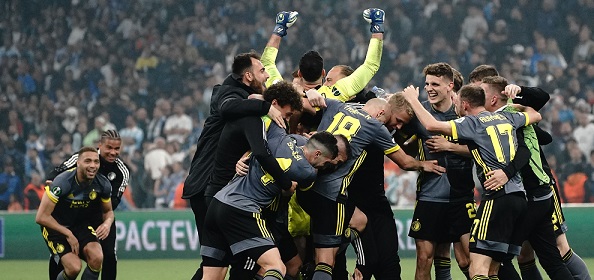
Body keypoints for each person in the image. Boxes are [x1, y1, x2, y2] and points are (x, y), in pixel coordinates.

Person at [401, 84, 542, 279]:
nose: (455, 106)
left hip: (496, 199)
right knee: (494, 270)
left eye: (457, 102)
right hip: (519, 199)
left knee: (477, 270)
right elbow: (536, 115)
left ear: (465, 105)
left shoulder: (472, 123)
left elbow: (432, 126)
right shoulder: (507, 117)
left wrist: (413, 100)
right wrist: (517, 105)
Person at [297, 95, 445, 280]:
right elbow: (405, 162)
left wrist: (310, 93)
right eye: (395, 121)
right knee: (327, 261)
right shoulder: (375, 127)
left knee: (356, 229)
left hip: (307, 188)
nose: (394, 127)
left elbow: (302, 102)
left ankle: (352, 263)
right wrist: (425, 165)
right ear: (382, 111)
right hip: (331, 196)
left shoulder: (337, 105)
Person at [470, 64, 592, 280]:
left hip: (535, 188)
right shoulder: (497, 118)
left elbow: (541, 99)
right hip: (525, 193)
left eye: (481, 91)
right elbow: (544, 136)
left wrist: (520, 91)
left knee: (556, 249)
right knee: (532, 256)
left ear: (495, 92)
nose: (477, 97)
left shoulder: (511, 110)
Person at [201, 131, 343, 280]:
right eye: (326, 163)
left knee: (212, 276)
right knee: (276, 267)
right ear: (317, 154)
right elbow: (298, 186)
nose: (323, 167)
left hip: (218, 203)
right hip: (243, 209)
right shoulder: (307, 173)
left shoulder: (280, 138)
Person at [205, 80, 303, 279]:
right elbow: (263, 153)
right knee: (273, 267)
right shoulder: (257, 120)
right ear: (274, 104)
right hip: (245, 209)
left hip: (222, 201)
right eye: (288, 113)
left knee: (214, 274)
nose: (287, 118)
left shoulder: (257, 124)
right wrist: (286, 184)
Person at [397, 63, 475, 280]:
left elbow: (481, 149)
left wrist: (450, 146)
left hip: (461, 196)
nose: (429, 88)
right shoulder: (418, 114)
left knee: (468, 261)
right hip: (430, 195)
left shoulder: (464, 112)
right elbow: (398, 145)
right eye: (427, 84)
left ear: (450, 86)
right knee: (424, 259)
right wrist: (418, 160)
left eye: (435, 84)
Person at [47, 130, 130, 280]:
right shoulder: (83, 157)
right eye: (109, 148)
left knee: (109, 255)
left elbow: (114, 202)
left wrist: (106, 223)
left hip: (100, 216)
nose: (113, 152)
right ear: (100, 145)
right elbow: (56, 175)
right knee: (64, 256)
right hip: (73, 214)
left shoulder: (122, 171)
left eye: (117, 149)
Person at [36, 146, 114, 280]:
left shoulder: (103, 184)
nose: (93, 166)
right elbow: (41, 217)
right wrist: (67, 233)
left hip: (79, 225)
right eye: (88, 161)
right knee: (74, 268)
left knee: (97, 257)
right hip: (55, 227)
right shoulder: (62, 182)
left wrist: (107, 223)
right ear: (78, 163)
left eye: (96, 162)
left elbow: (108, 211)